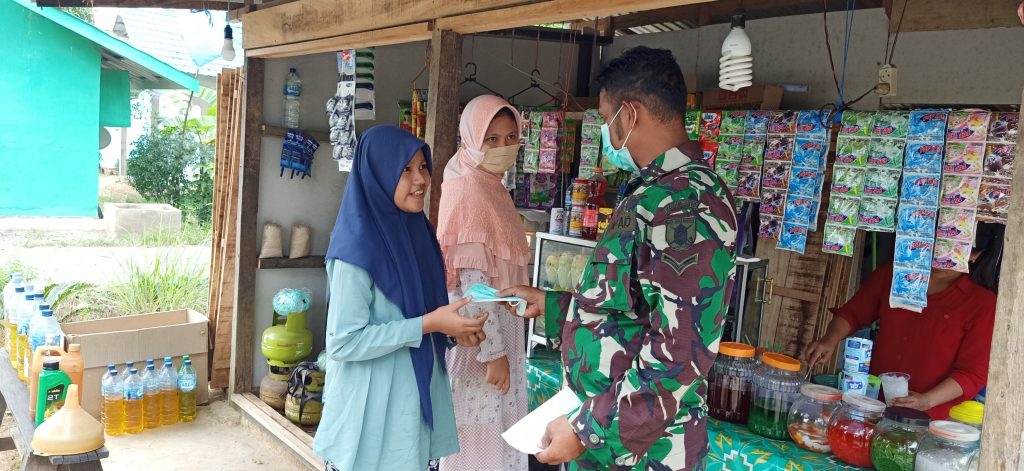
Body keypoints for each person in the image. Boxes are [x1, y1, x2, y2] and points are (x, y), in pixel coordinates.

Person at [502, 46, 738, 470]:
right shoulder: (656, 193)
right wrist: (556, 307)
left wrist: (587, 430)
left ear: (628, 116)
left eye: (606, 120)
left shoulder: (684, 205)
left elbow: (681, 351)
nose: (608, 137)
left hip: (645, 450)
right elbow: (633, 307)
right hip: (611, 436)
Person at [313, 125, 488, 471]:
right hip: (373, 417)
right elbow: (344, 343)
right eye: (405, 169)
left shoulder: (420, 234)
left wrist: (450, 332)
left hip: (414, 412)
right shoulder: (355, 250)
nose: (420, 179)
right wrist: (429, 324)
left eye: (423, 167)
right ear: (377, 173)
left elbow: (422, 315)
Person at [804, 223, 1003, 419]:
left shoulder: (982, 303)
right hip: (871, 405)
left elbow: (972, 374)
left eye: (950, 250)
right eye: (935, 244)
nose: (937, 256)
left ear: (973, 254)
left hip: (928, 419)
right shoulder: (894, 274)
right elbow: (854, 313)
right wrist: (829, 340)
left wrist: (927, 400)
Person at [436, 95, 531, 471]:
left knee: (494, 438)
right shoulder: (470, 189)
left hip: (501, 331)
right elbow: (472, 285)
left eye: (510, 138)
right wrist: (493, 354)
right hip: (483, 338)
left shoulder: (489, 184)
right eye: (491, 139)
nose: (503, 147)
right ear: (471, 138)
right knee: (479, 445)